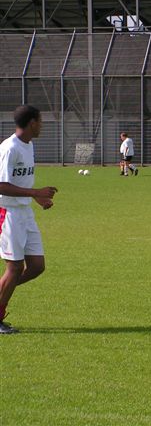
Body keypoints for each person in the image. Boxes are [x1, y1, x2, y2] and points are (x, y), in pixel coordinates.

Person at [0, 105, 58, 334]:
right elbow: (1, 186)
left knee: (36, 266)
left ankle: (4, 292)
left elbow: (20, 182)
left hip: (25, 212)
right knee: (14, 267)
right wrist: (35, 193)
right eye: (40, 121)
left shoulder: (28, 145)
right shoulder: (9, 148)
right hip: (8, 213)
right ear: (32, 122)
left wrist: (38, 199)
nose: (42, 125)